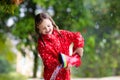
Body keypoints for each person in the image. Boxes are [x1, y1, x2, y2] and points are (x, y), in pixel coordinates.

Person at [35, 12, 84, 80]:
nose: (47, 29)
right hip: (52, 75)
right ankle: (72, 60)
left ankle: (74, 59)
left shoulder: (61, 34)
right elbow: (48, 61)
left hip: (65, 74)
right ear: (39, 30)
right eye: (43, 28)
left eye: (48, 26)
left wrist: (79, 46)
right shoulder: (42, 44)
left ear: (52, 23)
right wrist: (65, 62)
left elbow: (77, 36)